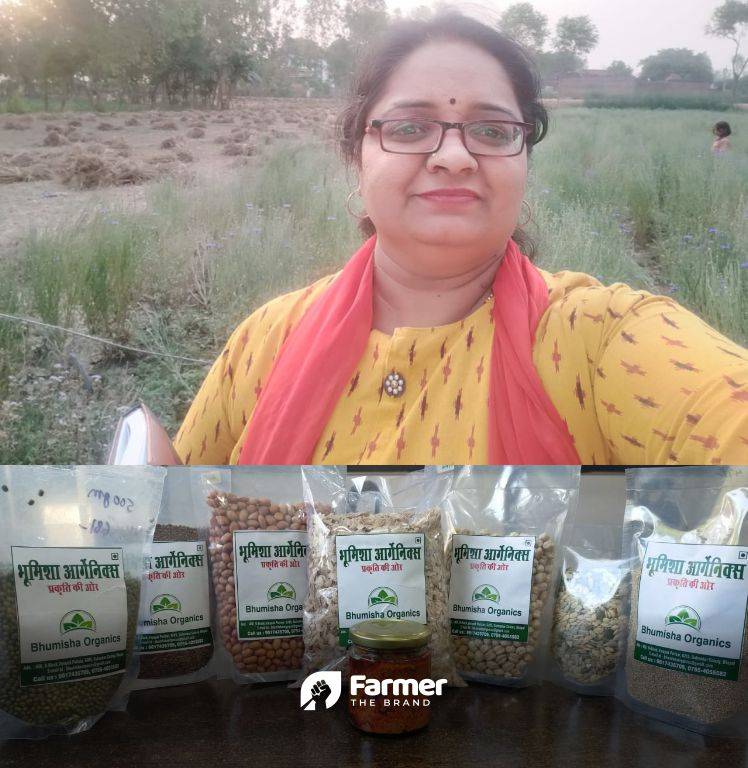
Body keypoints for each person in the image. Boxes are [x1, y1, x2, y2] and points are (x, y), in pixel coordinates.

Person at [174, 14, 748, 466]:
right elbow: (171, 539)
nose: (453, 157)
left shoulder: (599, 339)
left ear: (524, 158)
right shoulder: (265, 341)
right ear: (356, 154)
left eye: (493, 131)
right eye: (408, 127)